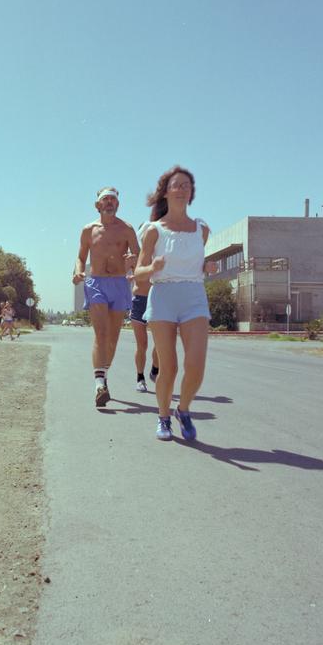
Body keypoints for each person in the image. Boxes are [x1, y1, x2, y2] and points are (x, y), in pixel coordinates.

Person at [133, 166, 216, 441]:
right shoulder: (154, 231)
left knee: (196, 365)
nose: (181, 189)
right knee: (169, 367)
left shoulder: (201, 229)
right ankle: (164, 417)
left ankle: (183, 409)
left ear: (191, 193)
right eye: (176, 185)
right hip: (164, 295)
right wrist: (153, 266)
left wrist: (208, 266)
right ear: (166, 192)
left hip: (193, 295)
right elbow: (138, 272)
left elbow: (196, 264)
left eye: (186, 185)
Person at [73, 186, 140, 408]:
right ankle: (99, 384)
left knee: (113, 338)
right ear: (98, 205)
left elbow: (139, 256)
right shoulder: (88, 230)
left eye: (113, 199)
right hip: (96, 283)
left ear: (118, 204)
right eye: (105, 199)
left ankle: (103, 375)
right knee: (100, 333)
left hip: (120, 284)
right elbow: (81, 257)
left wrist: (133, 260)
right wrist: (78, 271)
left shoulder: (127, 229)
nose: (110, 202)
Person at [131, 213, 160, 393]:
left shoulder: (160, 254)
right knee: (142, 344)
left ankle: (155, 369)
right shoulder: (134, 256)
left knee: (160, 342)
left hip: (157, 301)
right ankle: (140, 377)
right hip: (139, 301)